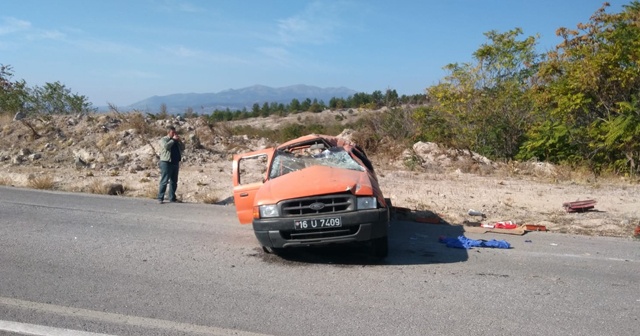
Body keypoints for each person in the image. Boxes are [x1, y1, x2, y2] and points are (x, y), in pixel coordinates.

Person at [157, 126, 185, 203]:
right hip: (166, 162)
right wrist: (173, 140)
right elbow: (166, 147)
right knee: (164, 181)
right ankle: (160, 198)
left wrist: (179, 141)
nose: (174, 134)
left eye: (175, 132)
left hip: (175, 162)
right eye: (173, 132)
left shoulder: (176, 140)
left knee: (174, 181)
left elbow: (183, 148)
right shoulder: (164, 139)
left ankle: (172, 197)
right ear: (168, 132)